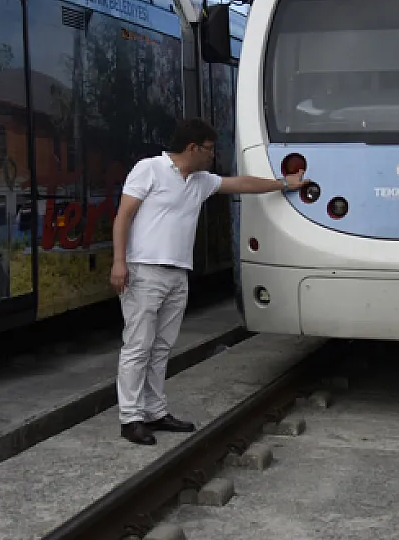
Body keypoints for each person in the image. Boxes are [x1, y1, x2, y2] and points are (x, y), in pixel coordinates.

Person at [110, 119, 303, 445]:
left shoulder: (200, 181)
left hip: (177, 272)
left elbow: (240, 184)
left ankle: (155, 412)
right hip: (144, 270)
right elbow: (123, 215)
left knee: (161, 347)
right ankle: (130, 418)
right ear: (193, 148)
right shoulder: (150, 169)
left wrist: (284, 184)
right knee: (138, 345)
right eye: (210, 149)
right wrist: (119, 262)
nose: (214, 156)